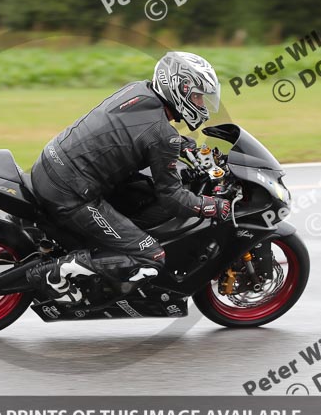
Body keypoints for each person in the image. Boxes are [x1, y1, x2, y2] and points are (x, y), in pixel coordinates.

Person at [25, 51, 232, 304]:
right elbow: (172, 198)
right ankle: (54, 274)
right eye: (198, 96)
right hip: (71, 192)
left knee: (142, 192)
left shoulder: (138, 91)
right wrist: (213, 206)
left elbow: (140, 134)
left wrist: (187, 146)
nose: (201, 104)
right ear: (180, 89)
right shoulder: (162, 135)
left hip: (52, 166)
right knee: (150, 257)